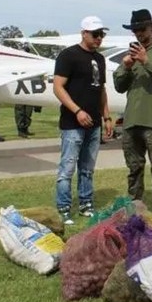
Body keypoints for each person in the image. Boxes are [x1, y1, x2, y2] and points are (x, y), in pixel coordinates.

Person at [52, 15, 114, 225]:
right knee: (67, 168)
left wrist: (106, 116)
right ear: (84, 33)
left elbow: (101, 90)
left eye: (102, 34)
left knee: (87, 167)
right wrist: (77, 111)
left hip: (94, 122)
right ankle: (63, 208)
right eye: (95, 34)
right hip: (72, 124)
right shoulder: (68, 55)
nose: (99, 38)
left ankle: (86, 204)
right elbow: (58, 87)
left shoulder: (100, 59)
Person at [113, 9, 152, 209]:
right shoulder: (130, 54)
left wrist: (146, 61)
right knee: (134, 169)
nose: (139, 33)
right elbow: (119, 86)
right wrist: (126, 66)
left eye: (142, 28)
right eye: (135, 30)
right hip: (132, 121)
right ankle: (134, 208)